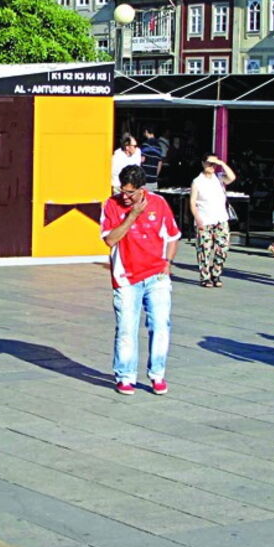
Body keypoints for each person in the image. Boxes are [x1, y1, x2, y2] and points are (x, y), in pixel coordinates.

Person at [100, 164, 181, 396]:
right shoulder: (111, 205)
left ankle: (157, 374)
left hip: (156, 276)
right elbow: (110, 240)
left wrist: (168, 263)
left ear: (141, 189)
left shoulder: (159, 203)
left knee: (160, 325)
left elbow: (173, 236)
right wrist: (133, 215)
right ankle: (125, 376)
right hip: (126, 278)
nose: (125, 196)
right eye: (122, 191)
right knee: (127, 328)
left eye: (130, 192)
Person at [190, 154, 237, 288]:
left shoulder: (219, 177)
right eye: (209, 163)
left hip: (220, 218)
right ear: (203, 163)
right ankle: (205, 276)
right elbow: (192, 202)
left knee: (223, 247)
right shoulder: (197, 181)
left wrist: (221, 163)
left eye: (213, 164)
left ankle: (216, 273)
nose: (211, 166)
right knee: (204, 249)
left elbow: (232, 178)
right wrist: (197, 218)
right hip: (204, 219)